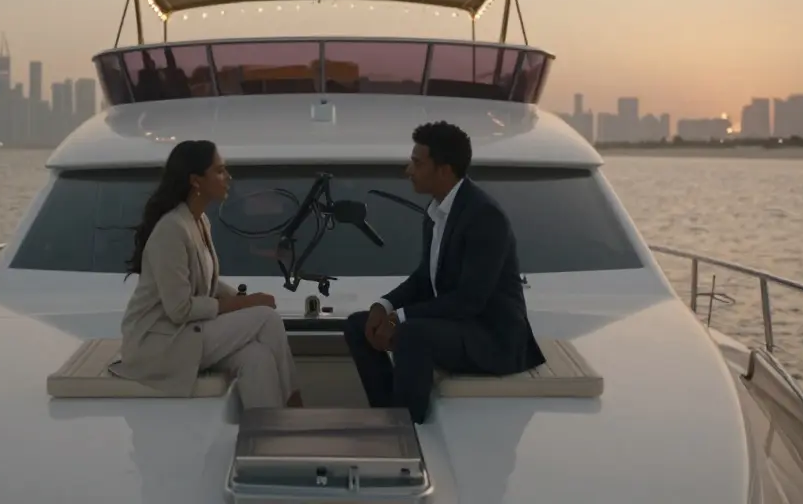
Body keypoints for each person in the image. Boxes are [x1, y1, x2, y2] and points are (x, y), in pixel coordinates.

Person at [343, 121, 545, 424]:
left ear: (444, 170)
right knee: (358, 325)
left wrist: (399, 317)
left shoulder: (484, 216)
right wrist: (383, 305)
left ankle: (409, 424)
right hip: (459, 325)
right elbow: (424, 279)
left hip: (493, 339)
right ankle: (388, 415)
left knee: (412, 333)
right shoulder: (437, 212)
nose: (408, 170)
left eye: (417, 163)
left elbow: (469, 300)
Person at [109, 139, 303, 409]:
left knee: (256, 356)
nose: (228, 177)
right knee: (266, 318)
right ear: (196, 181)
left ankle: (269, 429)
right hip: (158, 344)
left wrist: (241, 299)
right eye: (220, 171)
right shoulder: (171, 229)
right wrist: (245, 304)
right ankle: (295, 407)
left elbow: (208, 282)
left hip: (184, 334)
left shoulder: (199, 220)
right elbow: (179, 309)